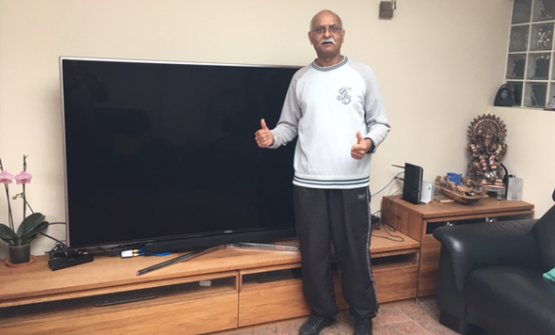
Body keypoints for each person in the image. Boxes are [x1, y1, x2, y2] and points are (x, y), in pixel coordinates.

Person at [254, 9, 390, 335]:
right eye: (319, 29)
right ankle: (323, 312)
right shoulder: (300, 79)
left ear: (342, 35)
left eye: (333, 29)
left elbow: (380, 122)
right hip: (308, 182)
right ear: (311, 37)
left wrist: (368, 143)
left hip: (351, 182)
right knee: (313, 253)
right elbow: (288, 126)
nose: (326, 34)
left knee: (353, 253)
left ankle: (362, 315)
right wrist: (273, 138)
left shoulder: (362, 74)